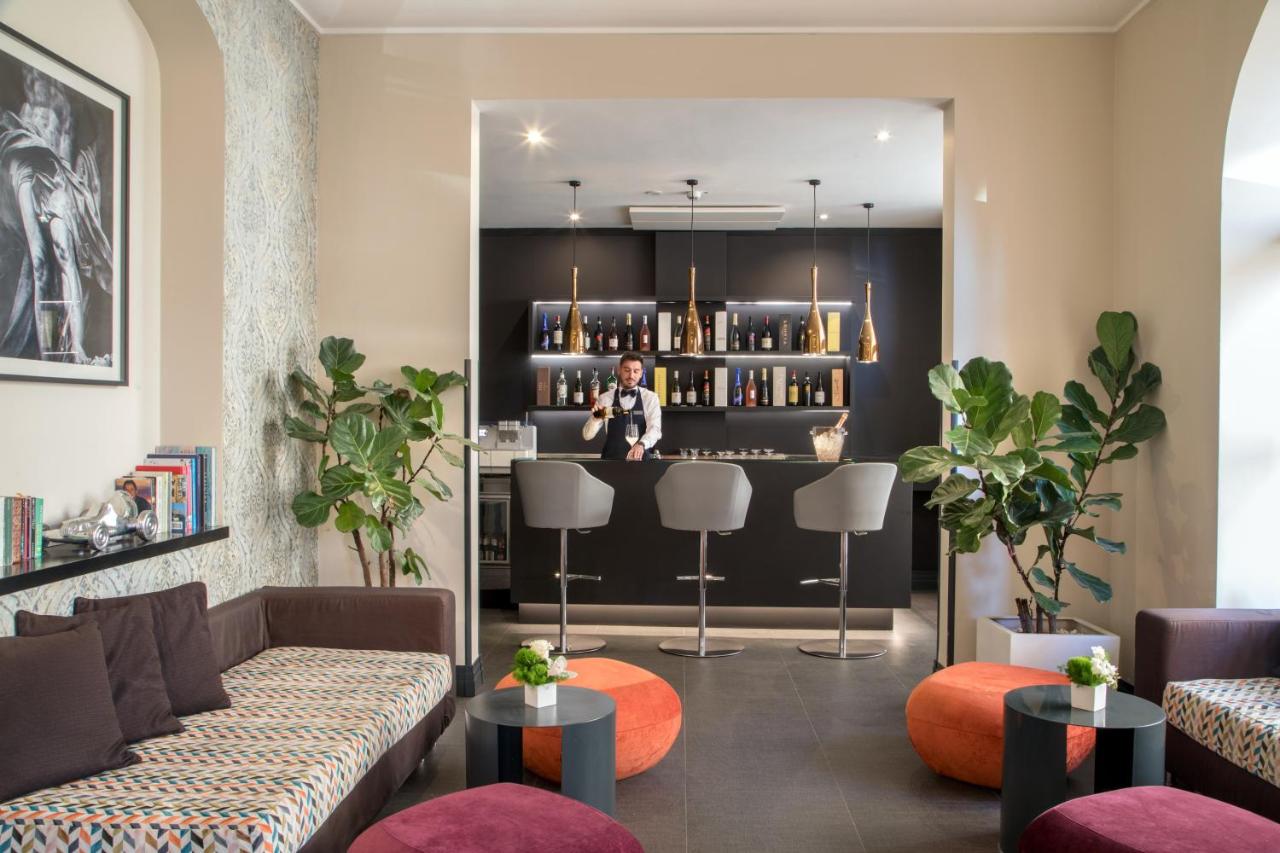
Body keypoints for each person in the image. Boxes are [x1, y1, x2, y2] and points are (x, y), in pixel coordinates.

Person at [583, 352, 661, 460]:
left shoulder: (650, 398)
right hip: (610, 462)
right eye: (627, 370)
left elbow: (655, 429)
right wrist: (595, 420)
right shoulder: (605, 398)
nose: (631, 376)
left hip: (641, 462)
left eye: (636, 371)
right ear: (619, 370)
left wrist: (642, 444)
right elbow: (587, 435)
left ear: (641, 373)